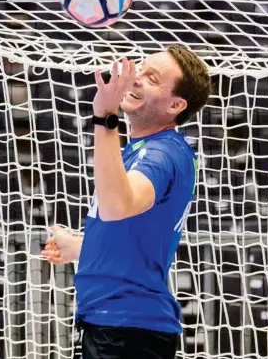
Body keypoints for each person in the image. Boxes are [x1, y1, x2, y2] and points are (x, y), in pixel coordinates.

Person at [41, 44, 212, 359]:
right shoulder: (145, 150)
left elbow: (117, 206)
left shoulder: (162, 152)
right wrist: (80, 247)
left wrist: (105, 116)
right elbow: (130, 240)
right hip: (116, 328)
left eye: (152, 78)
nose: (136, 79)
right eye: (141, 70)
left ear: (176, 104)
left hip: (127, 333)